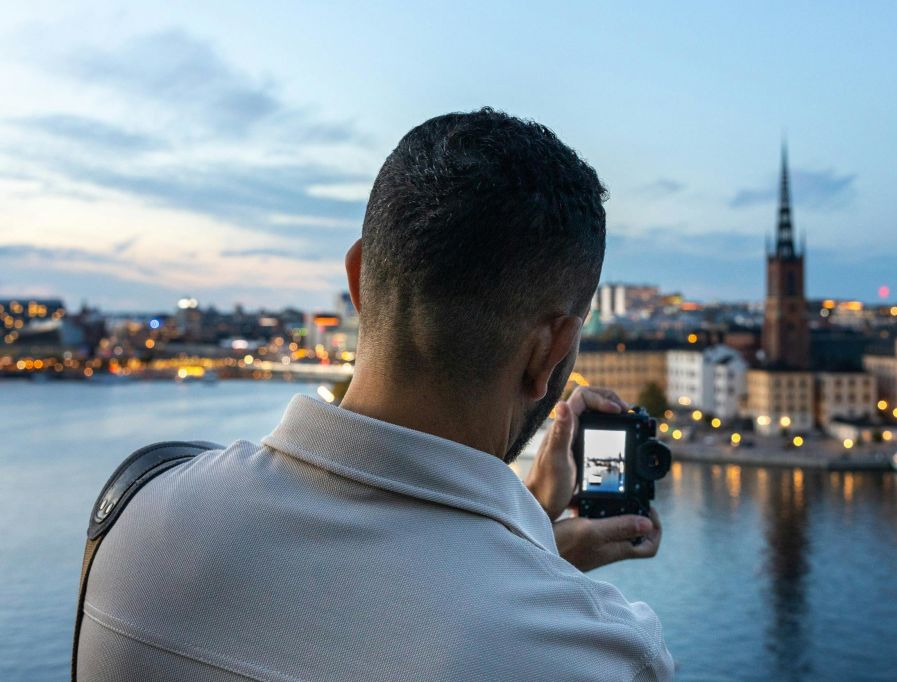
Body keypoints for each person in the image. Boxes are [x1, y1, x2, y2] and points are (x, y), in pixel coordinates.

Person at [76, 108, 674, 681]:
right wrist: (531, 551)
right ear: (551, 349)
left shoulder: (134, 510)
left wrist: (531, 534)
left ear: (359, 281)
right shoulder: (598, 655)